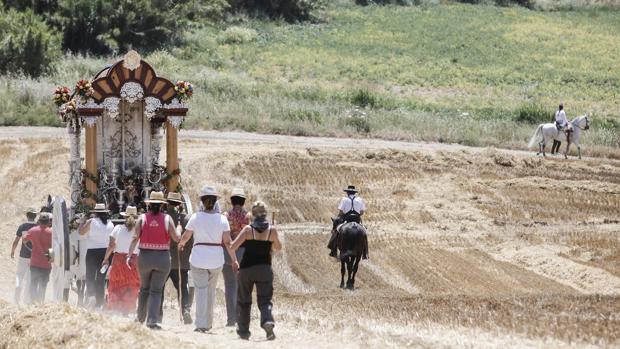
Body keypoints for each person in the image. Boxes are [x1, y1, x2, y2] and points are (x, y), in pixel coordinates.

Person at [178, 185, 237, 333]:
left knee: (201, 290)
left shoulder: (195, 217)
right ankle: (209, 322)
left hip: (198, 258)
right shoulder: (222, 219)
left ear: (202, 201)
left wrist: (181, 244)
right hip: (216, 259)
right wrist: (234, 259)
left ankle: (201, 324)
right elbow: (228, 242)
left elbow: (186, 236)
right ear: (215, 201)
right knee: (210, 291)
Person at [230, 201, 282, 341]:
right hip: (265, 269)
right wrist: (273, 235)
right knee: (265, 300)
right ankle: (267, 321)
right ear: (265, 213)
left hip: (246, 269)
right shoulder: (272, 230)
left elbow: (232, 247)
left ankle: (243, 331)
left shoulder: (248, 230)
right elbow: (278, 247)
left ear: (252, 214)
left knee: (244, 301)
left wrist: (234, 260)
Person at [127, 191, 179, 330]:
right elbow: (176, 238)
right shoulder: (168, 219)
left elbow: (135, 238)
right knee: (156, 291)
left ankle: (140, 318)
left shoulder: (142, 218)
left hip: (145, 258)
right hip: (162, 258)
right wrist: (179, 228)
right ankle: (152, 321)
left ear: (149, 204)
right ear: (162, 205)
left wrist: (129, 255)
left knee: (144, 288)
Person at [160, 192, 193, 324]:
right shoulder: (187, 219)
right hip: (181, 260)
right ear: (180, 204)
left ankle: (158, 314)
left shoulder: (163, 218)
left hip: (164, 258)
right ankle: (185, 310)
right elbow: (190, 241)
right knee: (182, 288)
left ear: (167, 204)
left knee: (159, 287)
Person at [101, 206, 140, 314]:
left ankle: (116, 309)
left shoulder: (118, 228)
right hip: (133, 260)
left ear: (125, 216)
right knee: (131, 286)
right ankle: (126, 310)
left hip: (118, 260)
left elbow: (111, 245)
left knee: (116, 285)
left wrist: (105, 259)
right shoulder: (138, 230)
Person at [222, 187, 250, 327]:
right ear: (243, 201)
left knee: (229, 286)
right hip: (244, 253)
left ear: (232, 201)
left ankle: (231, 319)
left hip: (228, 252)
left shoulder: (226, 215)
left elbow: (224, 235)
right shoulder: (247, 216)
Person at [78, 203, 114, 308]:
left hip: (92, 253)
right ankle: (99, 303)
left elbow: (81, 232)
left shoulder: (91, 222)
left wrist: (81, 222)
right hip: (105, 254)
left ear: (95, 212)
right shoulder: (110, 223)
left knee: (90, 275)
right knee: (101, 278)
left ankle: (91, 295)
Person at [22, 213, 53, 303]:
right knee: (43, 286)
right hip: (46, 263)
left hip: (35, 262)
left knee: (33, 284)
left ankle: (33, 303)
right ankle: (41, 302)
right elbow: (53, 248)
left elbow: (24, 239)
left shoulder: (33, 230)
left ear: (39, 221)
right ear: (48, 222)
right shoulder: (51, 232)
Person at [328, 185, 366, 258]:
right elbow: (362, 212)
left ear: (347, 192)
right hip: (357, 219)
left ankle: (333, 250)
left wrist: (339, 217)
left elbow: (341, 211)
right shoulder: (359, 199)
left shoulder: (344, 199)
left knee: (337, 230)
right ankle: (365, 252)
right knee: (364, 232)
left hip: (347, 219)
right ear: (354, 193)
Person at [11, 208, 38, 304]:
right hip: (34, 257)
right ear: (35, 216)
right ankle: (26, 300)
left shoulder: (22, 226)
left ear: (27, 215)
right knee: (29, 278)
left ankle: (17, 293)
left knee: (19, 275)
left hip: (23, 255)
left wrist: (13, 251)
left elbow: (16, 241)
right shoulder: (37, 227)